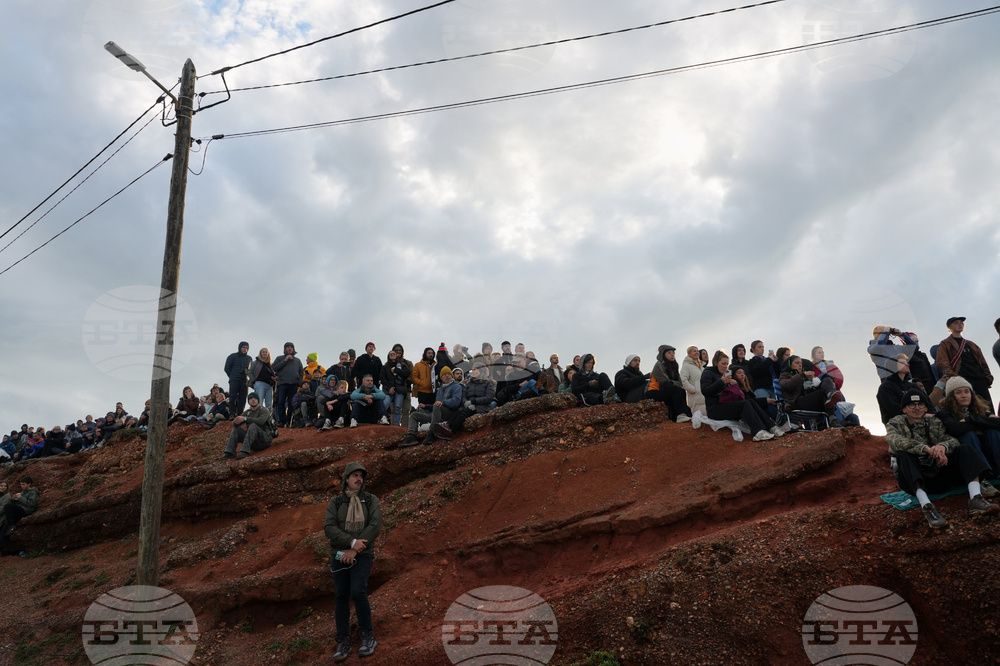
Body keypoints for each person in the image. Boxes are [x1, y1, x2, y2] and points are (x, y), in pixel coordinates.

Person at [886, 389, 998, 528]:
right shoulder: (895, 423)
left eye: (921, 404)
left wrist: (943, 447)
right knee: (903, 455)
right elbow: (895, 440)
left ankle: (976, 497)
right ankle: (927, 506)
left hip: (940, 475)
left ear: (926, 408)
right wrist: (926, 449)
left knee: (965, 449)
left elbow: (951, 439)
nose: (917, 408)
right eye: (912, 405)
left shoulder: (935, 422)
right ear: (904, 409)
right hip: (915, 480)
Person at [325, 462, 381, 660]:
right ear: (346, 479)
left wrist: (355, 549)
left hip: (363, 554)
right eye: (355, 475)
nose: (359, 479)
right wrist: (351, 542)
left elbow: (375, 525)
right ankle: (343, 641)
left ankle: (367, 636)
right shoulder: (336, 502)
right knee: (341, 595)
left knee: (358, 592)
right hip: (339, 554)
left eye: (361, 476)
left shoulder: (370, 500)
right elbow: (329, 528)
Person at [935, 377, 1000, 495]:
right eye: (958, 392)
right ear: (951, 396)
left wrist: (971, 419)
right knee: (968, 434)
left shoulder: (978, 409)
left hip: (987, 454)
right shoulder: (944, 413)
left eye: (966, 391)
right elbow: (956, 428)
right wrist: (984, 421)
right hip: (964, 459)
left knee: (993, 431)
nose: (964, 395)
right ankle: (981, 478)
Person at [701, 351, 782, 442]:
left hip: (726, 405)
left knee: (750, 402)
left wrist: (731, 384)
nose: (725, 366)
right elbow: (705, 391)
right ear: (716, 363)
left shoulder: (725, 374)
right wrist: (722, 381)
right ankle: (758, 431)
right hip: (715, 409)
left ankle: (771, 427)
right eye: (723, 364)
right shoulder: (708, 372)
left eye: (727, 364)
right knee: (745, 404)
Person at [937, 317, 994, 413]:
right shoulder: (945, 344)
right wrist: (956, 378)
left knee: (988, 410)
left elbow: (982, 362)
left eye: (961, 323)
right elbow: (943, 363)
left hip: (979, 380)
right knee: (969, 411)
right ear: (950, 328)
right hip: (963, 381)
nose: (960, 324)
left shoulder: (971, 344)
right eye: (956, 323)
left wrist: (987, 377)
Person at [400, 367, 462, 447]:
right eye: (444, 375)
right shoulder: (440, 390)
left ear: (452, 376)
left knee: (437, 406)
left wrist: (443, 403)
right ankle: (411, 436)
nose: (447, 376)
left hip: (449, 414)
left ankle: (431, 433)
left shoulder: (456, 387)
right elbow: (436, 405)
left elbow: (456, 401)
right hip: (435, 416)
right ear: (441, 378)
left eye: (449, 374)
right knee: (414, 415)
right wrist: (426, 406)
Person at [436, 361, 496, 440]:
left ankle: (451, 431)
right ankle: (447, 425)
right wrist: (466, 403)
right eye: (472, 369)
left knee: (464, 413)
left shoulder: (488, 383)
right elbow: (464, 396)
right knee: (460, 410)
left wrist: (473, 402)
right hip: (469, 406)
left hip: (481, 407)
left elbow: (489, 397)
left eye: (475, 369)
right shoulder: (469, 384)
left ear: (481, 371)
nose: (472, 371)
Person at [877, 354, 929, 425]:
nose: (907, 364)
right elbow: (895, 410)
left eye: (907, 363)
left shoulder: (913, 386)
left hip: (921, 423)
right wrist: (921, 416)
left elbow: (928, 403)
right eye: (902, 363)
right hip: (898, 426)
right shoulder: (886, 388)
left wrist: (932, 415)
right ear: (892, 366)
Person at [221, 392, 273, 460]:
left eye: (255, 398)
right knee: (236, 429)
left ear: (258, 400)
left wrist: (245, 419)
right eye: (251, 399)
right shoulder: (248, 412)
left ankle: (245, 451)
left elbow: (261, 421)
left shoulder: (263, 410)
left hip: (264, 440)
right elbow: (234, 424)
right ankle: (230, 452)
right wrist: (237, 421)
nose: (253, 400)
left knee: (253, 425)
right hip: (254, 443)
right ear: (248, 401)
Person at [0, 476, 39, 553]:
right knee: (4, 529)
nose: (22, 486)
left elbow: (31, 504)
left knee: (7, 506)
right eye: (21, 484)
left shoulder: (33, 492)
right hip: (19, 510)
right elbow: (18, 503)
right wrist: (14, 499)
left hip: (25, 511)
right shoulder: (23, 492)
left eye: (23, 484)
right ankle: (1, 550)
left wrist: (20, 498)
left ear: (29, 484)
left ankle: (11, 525)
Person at [273, 342, 304, 427]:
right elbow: (274, 368)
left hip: (293, 384)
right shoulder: (279, 358)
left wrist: (299, 382)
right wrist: (285, 360)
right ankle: (281, 421)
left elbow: (301, 372)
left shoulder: (297, 360)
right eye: (288, 347)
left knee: (291, 404)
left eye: (291, 347)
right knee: (281, 402)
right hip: (282, 384)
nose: (290, 348)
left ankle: (289, 421)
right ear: (285, 349)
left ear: (293, 349)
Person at [379, 349, 410, 426]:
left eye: (394, 354)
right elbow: (382, 378)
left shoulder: (402, 365)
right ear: (388, 356)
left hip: (400, 389)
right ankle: (380, 419)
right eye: (391, 354)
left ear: (396, 356)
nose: (392, 355)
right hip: (388, 390)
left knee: (397, 408)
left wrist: (397, 370)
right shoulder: (385, 367)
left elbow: (407, 373)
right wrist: (389, 387)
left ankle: (396, 426)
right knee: (385, 404)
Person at [224, 341, 253, 416]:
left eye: (247, 348)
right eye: (243, 347)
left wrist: (248, 378)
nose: (245, 349)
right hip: (234, 380)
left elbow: (251, 370)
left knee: (243, 399)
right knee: (232, 397)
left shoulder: (249, 358)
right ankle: (232, 413)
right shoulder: (232, 356)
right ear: (240, 347)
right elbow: (227, 368)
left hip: (245, 381)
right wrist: (232, 376)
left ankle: (241, 414)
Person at [680, 346, 706, 417]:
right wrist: (694, 390)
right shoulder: (686, 366)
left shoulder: (702, 368)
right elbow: (683, 380)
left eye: (697, 351)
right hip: (695, 399)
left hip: (705, 398)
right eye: (694, 351)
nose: (697, 352)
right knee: (698, 419)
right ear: (689, 354)